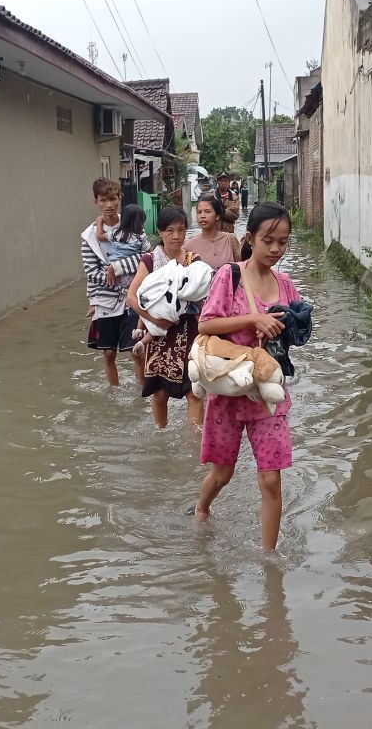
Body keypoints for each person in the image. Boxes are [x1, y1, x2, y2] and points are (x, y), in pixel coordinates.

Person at [193, 201, 302, 551]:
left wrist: (299, 322)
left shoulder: (285, 285)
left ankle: (269, 560)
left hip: (268, 395)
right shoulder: (231, 275)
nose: (275, 249)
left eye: (283, 242)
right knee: (222, 473)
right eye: (268, 240)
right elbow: (206, 324)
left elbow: (295, 337)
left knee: (271, 480)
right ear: (250, 238)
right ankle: (201, 507)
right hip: (228, 391)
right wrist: (253, 320)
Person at [126, 206, 204, 429]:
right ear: (160, 231)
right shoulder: (150, 260)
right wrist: (154, 319)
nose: (176, 236)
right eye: (170, 230)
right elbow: (131, 298)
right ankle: (161, 433)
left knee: (194, 391)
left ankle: (194, 442)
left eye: (181, 230)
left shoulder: (193, 260)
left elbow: (203, 293)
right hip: (159, 334)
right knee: (159, 393)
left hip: (188, 331)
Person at [82, 178, 144, 387]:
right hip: (105, 299)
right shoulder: (89, 236)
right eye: (103, 200)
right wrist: (115, 279)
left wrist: (116, 268)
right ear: (96, 202)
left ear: (120, 198)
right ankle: (114, 393)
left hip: (132, 296)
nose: (109, 204)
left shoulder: (133, 223)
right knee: (108, 353)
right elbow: (91, 272)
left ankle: (142, 394)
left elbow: (146, 258)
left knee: (137, 350)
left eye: (113, 199)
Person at [185, 196, 241, 270]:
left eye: (207, 211)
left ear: (217, 216)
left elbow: (242, 267)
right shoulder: (189, 245)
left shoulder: (230, 240)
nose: (202, 216)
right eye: (199, 212)